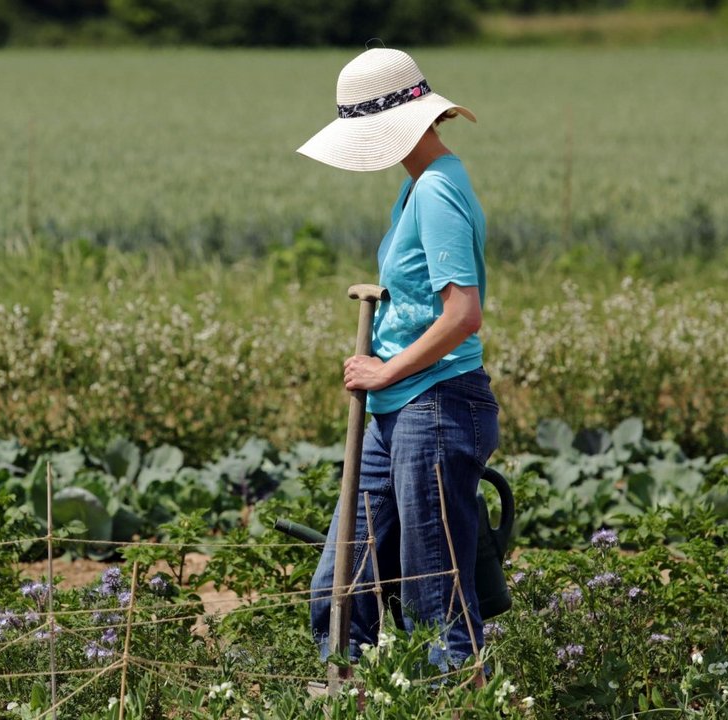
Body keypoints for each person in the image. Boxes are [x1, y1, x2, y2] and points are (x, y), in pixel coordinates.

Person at [297, 47, 500, 673]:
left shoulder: (437, 189)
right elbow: (427, 296)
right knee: (341, 581)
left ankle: (457, 697)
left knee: (431, 590)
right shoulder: (417, 186)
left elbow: (463, 313)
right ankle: (346, 693)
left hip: (433, 404)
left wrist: (385, 369)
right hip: (400, 406)